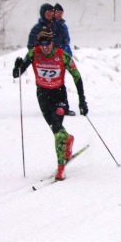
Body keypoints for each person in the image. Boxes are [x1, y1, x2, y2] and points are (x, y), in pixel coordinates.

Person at [13, 29, 88, 181]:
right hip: (42, 96)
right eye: (42, 43)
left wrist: (82, 100)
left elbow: (77, 77)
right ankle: (67, 140)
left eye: (47, 43)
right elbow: (17, 74)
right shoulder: (34, 54)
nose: (45, 47)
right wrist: (17, 66)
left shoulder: (62, 55)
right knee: (56, 131)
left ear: (52, 43)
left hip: (59, 95)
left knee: (56, 125)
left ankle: (61, 168)